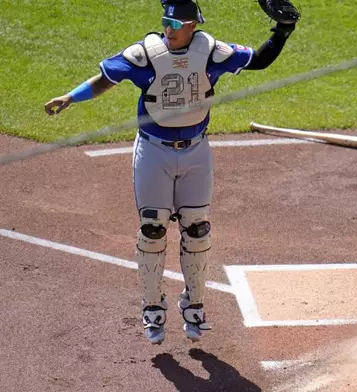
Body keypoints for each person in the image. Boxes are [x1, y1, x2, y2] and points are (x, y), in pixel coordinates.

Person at [44, 0, 299, 344]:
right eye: (166, 22)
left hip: (196, 151)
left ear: (192, 25)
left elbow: (259, 59)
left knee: (198, 229)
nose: (169, 28)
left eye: (176, 23)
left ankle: (194, 304)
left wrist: (283, 32)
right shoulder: (144, 55)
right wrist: (70, 97)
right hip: (153, 152)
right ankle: (152, 307)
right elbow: (105, 80)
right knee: (152, 229)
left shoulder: (211, 52)